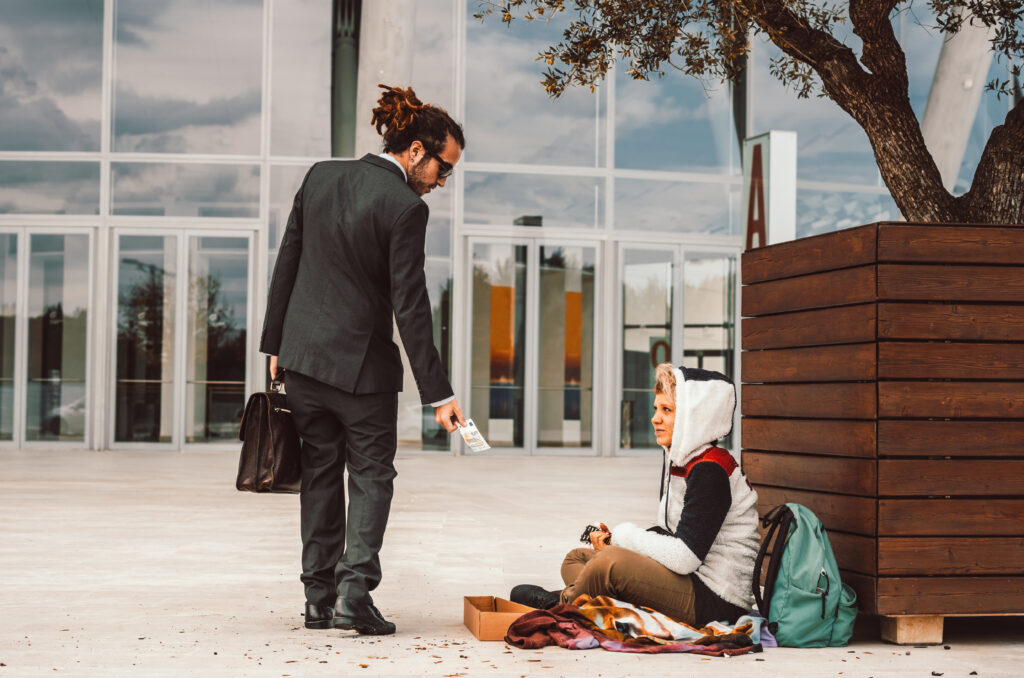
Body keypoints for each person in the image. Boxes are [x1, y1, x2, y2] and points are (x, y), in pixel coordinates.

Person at [260, 84, 467, 636]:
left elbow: (287, 262)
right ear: (417, 151)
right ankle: (353, 595)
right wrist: (439, 394)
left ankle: (317, 600)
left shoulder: (320, 176)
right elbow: (411, 306)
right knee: (372, 477)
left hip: (303, 364)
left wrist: (275, 345)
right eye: (443, 168)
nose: (442, 182)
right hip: (362, 374)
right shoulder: (405, 207)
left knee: (320, 475)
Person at [511, 364, 760, 627]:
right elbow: (673, 534)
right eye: (656, 409)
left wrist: (623, 537)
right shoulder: (688, 461)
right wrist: (616, 542)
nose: (655, 419)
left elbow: (685, 557)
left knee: (607, 564)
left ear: (694, 417)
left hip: (715, 600)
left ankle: (560, 604)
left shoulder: (710, 470)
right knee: (577, 558)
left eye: (667, 410)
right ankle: (600, 601)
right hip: (691, 581)